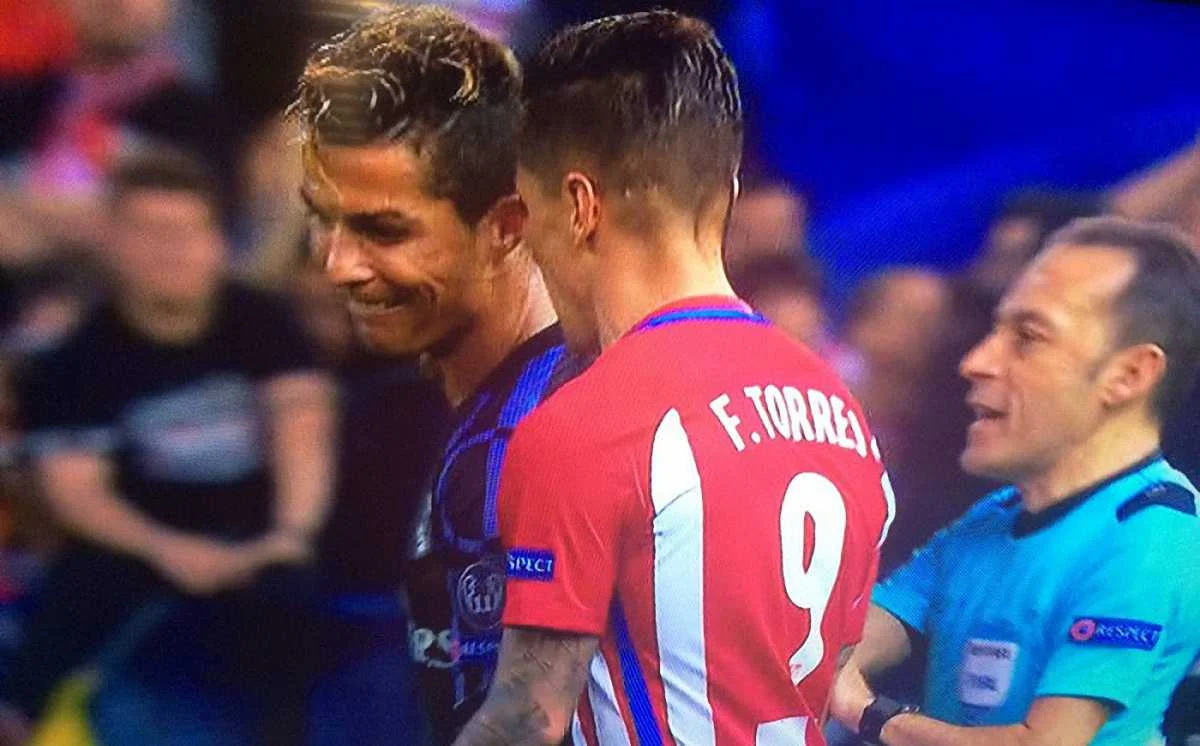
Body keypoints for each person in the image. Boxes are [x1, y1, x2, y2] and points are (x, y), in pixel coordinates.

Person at [455, 11, 893, 745]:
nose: (527, 250)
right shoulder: (841, 411)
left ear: (579, 207)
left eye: (528, 215)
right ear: (727, 190)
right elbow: (830, 675)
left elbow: (527, 717)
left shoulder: (585, 426)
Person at [292, 6, 572, 743]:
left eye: (382, 230)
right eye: (322, 219)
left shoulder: (540, 439)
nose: (336, 266)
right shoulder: (470, 412)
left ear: (507, 226)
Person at [0, 148, 336, 741]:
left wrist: (289, 535)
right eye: (149, 232)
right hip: (133, 541)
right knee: (56, 625)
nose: (171, 250)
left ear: (218, 240)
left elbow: (303, 432)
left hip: (266, 530)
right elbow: (75, 491)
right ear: (111, 241)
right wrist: (171, 550)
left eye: (187, 231)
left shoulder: (264, 320)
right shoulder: (75, 359)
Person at [829, 216, 1200, 746]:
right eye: (995, 332)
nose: (976, 361)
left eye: (1027, 337)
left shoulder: (1154, 534)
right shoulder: (998, 513)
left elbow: (1045, 743)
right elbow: (847, 641)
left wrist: (872, 715)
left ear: (1130, 375)